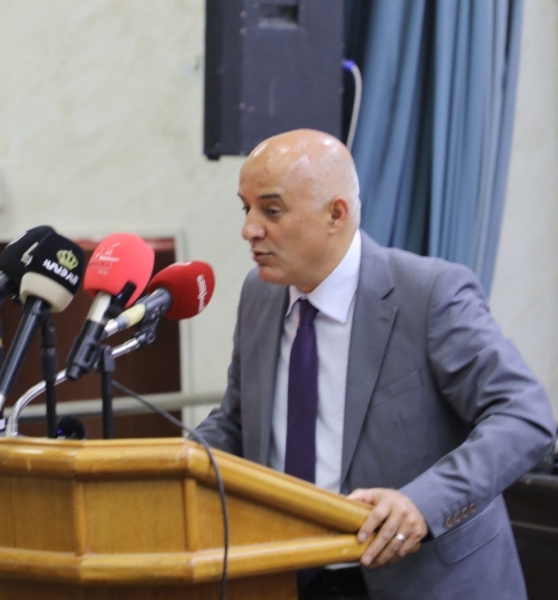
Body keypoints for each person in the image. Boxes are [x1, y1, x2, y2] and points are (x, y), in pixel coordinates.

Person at [193, 129, 556, 600]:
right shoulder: (259, 294)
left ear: (335, 214)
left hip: (422, 579)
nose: (250, 230)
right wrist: (170, 465)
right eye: (246, 209)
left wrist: (422, 503)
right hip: (285, 574)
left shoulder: (429, 294)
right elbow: (239, 420)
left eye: (271, 210)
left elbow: (524, 416)